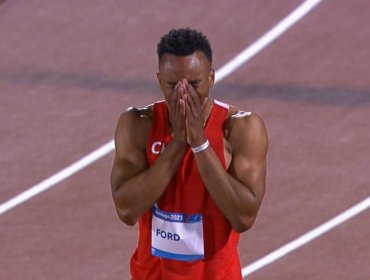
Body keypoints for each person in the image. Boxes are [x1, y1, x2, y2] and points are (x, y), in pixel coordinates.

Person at [110, 27, 268, 280]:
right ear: (159, 80)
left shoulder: (240, 128)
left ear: (211, 78)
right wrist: (178, 144)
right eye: (173, 85)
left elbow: (244, 216)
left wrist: (200, 143)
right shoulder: (138, 125)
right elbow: (127, 210)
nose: (184, 94)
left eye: (194, 84)